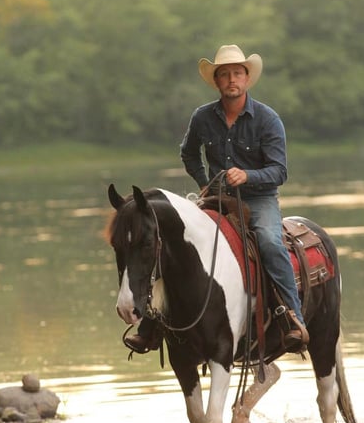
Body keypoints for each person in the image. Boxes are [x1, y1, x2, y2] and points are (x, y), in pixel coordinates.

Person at [124, 44, 308, 354]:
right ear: (217, 81)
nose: (231, 80)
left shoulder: (268, 119)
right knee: (173, 242)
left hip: (259, 199)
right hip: (217, 198)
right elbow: (188, 152)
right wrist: (204, 182)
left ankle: (291, 316)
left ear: (247, 78)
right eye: (224, 75)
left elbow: (279, 171)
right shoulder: (202, 117)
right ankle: (153, 323)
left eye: (237, 73)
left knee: (269, 242)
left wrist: (248, 176)